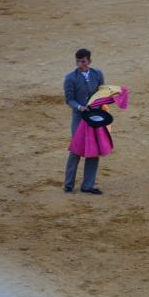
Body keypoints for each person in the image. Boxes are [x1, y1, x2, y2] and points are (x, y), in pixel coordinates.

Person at [63, 48, 105, 194]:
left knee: (94, 150)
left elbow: (102, 93)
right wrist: (80, 107)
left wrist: (99, 106)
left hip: (94, 117)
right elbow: (69, 100)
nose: (81, 64)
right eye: (79, 61)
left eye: (84, 61)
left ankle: (87, 185)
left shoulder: (97, 74)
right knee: (76, 150)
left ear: (89, 61)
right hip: (79, 118)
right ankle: (68, 184)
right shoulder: (70, 78)